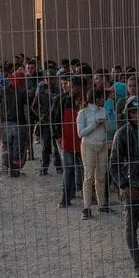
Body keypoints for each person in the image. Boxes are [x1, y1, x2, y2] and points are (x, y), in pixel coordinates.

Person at [110, 96, 139, 278]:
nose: (137, 115)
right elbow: (114, 163)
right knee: (130, 226)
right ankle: (137, 263)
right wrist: (124, 185)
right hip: (132, 186)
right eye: (133, 112)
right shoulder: (122, 133)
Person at [77, 88, 112, 219]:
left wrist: (105, 123)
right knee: (89, 176)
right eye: (103, 97)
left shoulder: (103, 111)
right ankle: (86, 207)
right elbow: (80, 133)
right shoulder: (83, 112)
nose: (104, 100)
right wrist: (94, 124)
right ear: (96, 98)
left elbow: (109, 129)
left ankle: (102, 205)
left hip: (102, 146)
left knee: (101, 176)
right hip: (88, 146)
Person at [56, 76, 84, 208]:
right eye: (69, 86)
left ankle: (88, 197)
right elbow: (56, 119)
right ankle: (65, 198)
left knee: (86, 170)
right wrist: (57, 136)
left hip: (83, 141)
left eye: (72, 86)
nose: (69, 89)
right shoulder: (64, 101)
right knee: (68, 170)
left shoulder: (86, 102)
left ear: (80, 87)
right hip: (67, 140)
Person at [0, 63, 29, 177]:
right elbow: (26, 109)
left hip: (7, 123)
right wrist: (27, 123)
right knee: (18, 147)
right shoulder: (22, 92)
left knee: (7, 146)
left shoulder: (4, 91)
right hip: (19, 123)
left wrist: (2, 119)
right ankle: (15, 170)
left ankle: (6, 166)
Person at [34, 70, 63, 175]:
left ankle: (58, 165)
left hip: (56, 121)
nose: (49, 80)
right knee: (46, 145)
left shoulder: (59, 91)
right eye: (47, 78)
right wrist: (41, 115)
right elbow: (34, 106)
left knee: (57, 145)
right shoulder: (41, 92)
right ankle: (44, 167)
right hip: (45, 122)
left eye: (51, 78)